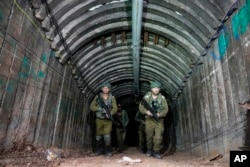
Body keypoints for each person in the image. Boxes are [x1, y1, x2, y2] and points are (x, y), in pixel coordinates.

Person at [139, 81, 168, 159]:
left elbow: (166, 110)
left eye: (158, 88)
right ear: (151, 89)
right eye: (154, 88)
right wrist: (146, 112)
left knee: (158, 136)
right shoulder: (146, 97)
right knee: (149, 136)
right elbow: (141, 107)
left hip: (159, 120)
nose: (156, 89)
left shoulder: (162, 98)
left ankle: (156, 151)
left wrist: (159, 114)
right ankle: (149, 149)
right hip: (149, 120)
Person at [90, 81, 118, 156]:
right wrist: (100, 109)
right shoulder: (98, 97)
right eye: (104, 88)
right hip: (99, 119)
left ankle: (107, 150)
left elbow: (115, 108)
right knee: (98, 136)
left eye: (107, 88)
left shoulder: (112, 98)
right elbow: (92, 106)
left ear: (109, 89)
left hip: (108, 120)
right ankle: (99, 149)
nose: (105, 89)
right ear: (102, 89)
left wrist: (110, 113)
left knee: (107, 136)